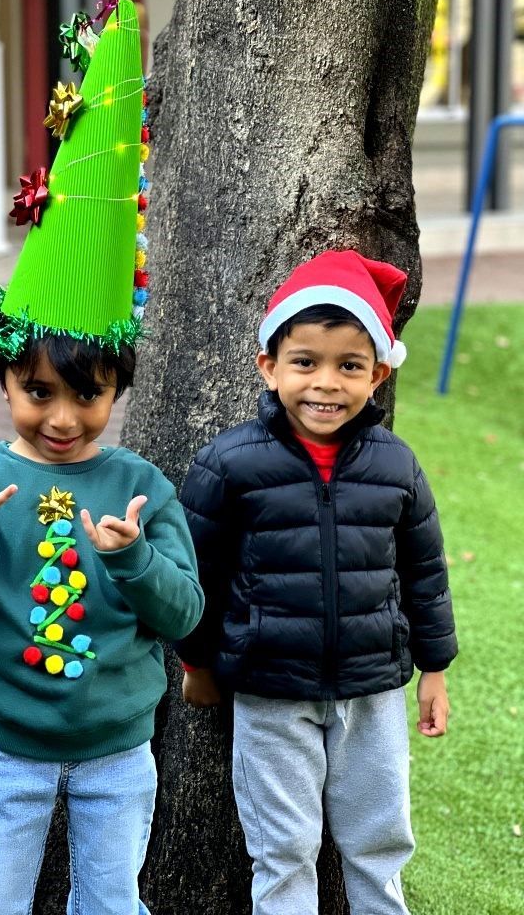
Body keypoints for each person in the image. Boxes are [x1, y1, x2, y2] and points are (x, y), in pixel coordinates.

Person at [0, 0, 203, 915]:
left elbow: (185, 611)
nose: (62, 417)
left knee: (110, 904)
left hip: (120, 752)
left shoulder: (140, 486)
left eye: (87, 393)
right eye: (38, 391)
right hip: (6, 751)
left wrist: (133, 558)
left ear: (118, 387)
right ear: (5, 379)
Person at [175, 249, 457, 915]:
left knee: (378, 838)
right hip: (271, 691)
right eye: (305, 362)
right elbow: (198, 573)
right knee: (284, 847)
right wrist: (195, 660)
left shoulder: (394, 465)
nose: (325, 383)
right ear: (269, 368)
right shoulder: (229, 464)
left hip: (374, 692)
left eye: (349, 365)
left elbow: (424, 569)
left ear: (378, 374)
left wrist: (435, 668)